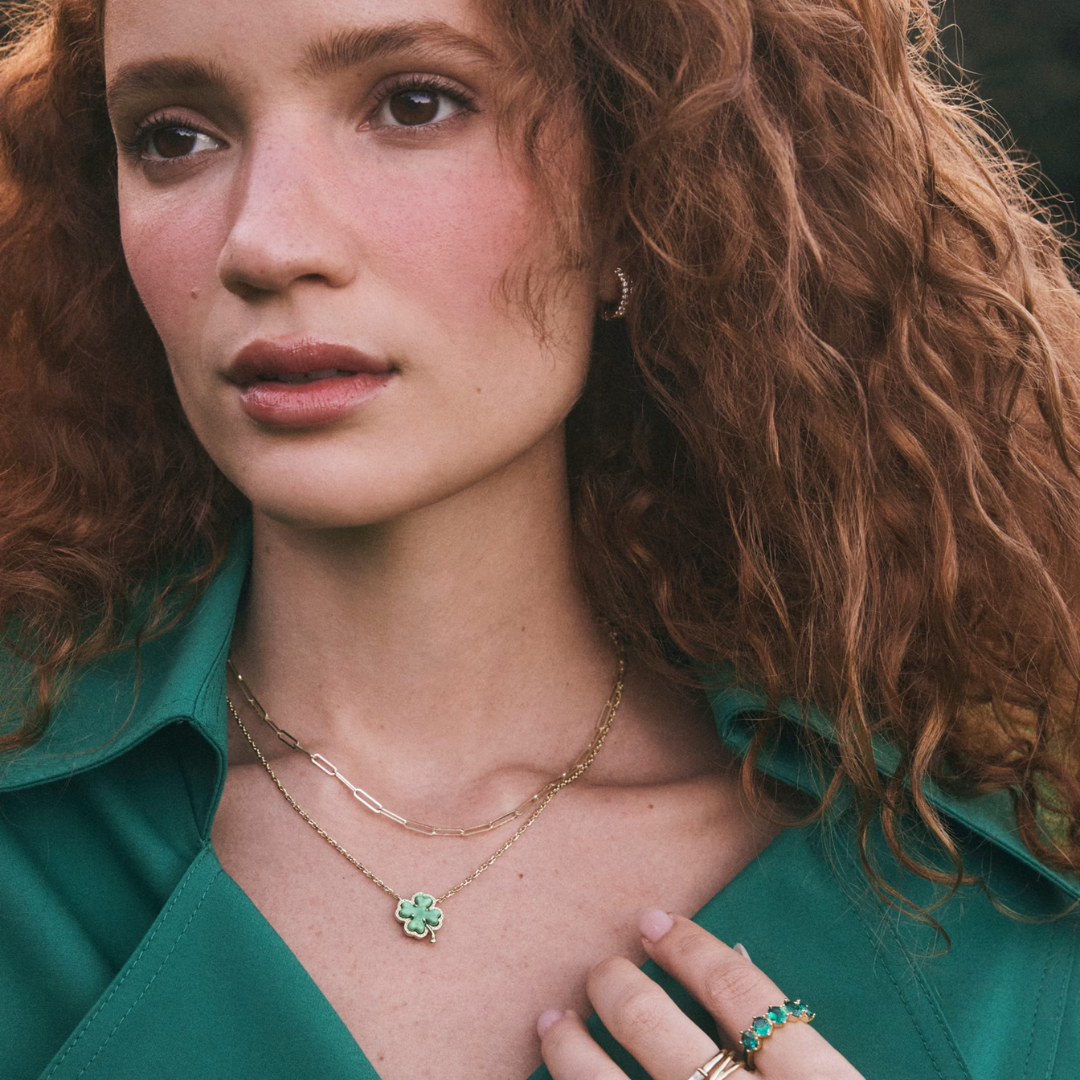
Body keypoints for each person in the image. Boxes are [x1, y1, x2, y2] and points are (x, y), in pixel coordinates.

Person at [1, 0, 1078, 1077]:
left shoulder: (996, 914)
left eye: (414, 105)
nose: (265, 244)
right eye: (173, 136)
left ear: (638, 183)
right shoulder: (26, 857)